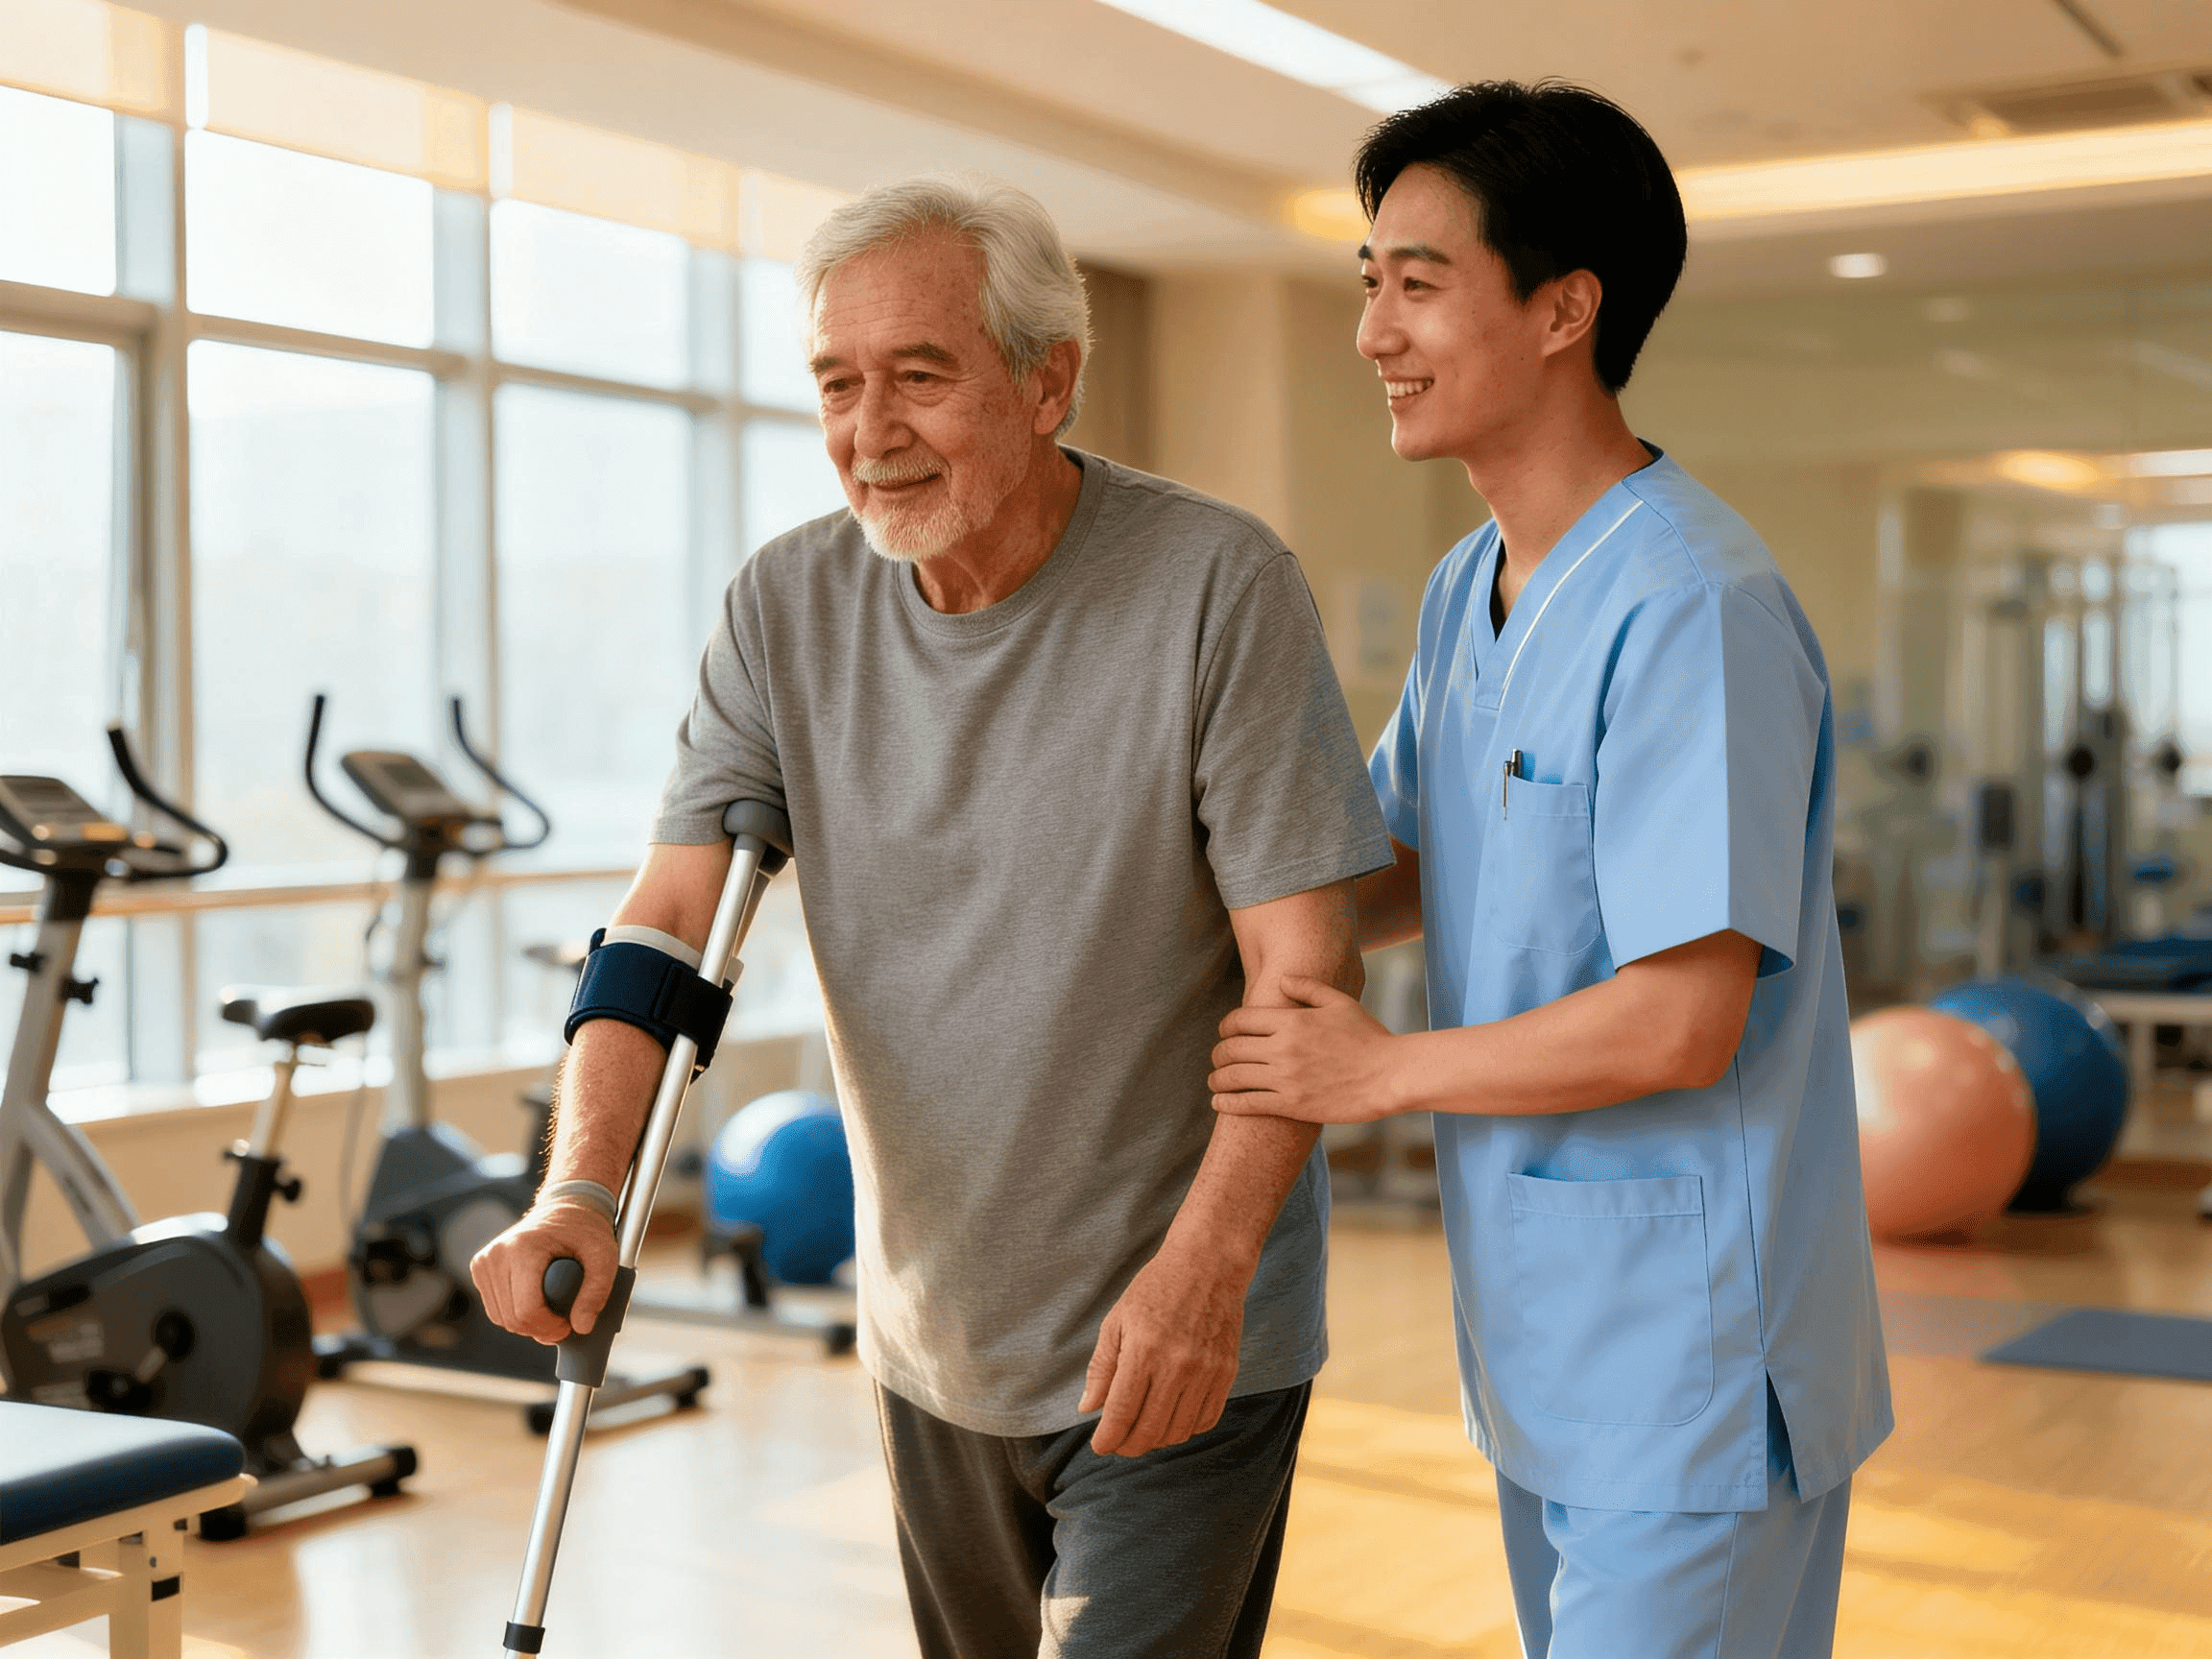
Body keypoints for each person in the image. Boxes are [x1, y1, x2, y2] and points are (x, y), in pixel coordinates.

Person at [471, 173, 1392, 1658]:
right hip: (931, 1336)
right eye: (838, 384)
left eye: (920, 375)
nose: (871, 430)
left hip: (1175, 1331)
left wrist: (1206, 1269)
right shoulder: (785, 609)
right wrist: (578, 1185)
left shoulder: (1218, 587)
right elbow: (663, 934)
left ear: (1049, 381)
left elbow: (1306, 969)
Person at [1207, 83, 1891, 1658]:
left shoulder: (1691, 607)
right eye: (1366, 280)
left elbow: (1679, 1022)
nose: (1374, 329)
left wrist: (1372, 1071)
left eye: (1420, 283)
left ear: (1567, 308)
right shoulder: (1470, 591)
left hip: (1696, 1370)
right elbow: (1389, 864)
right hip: (1549, 1351)